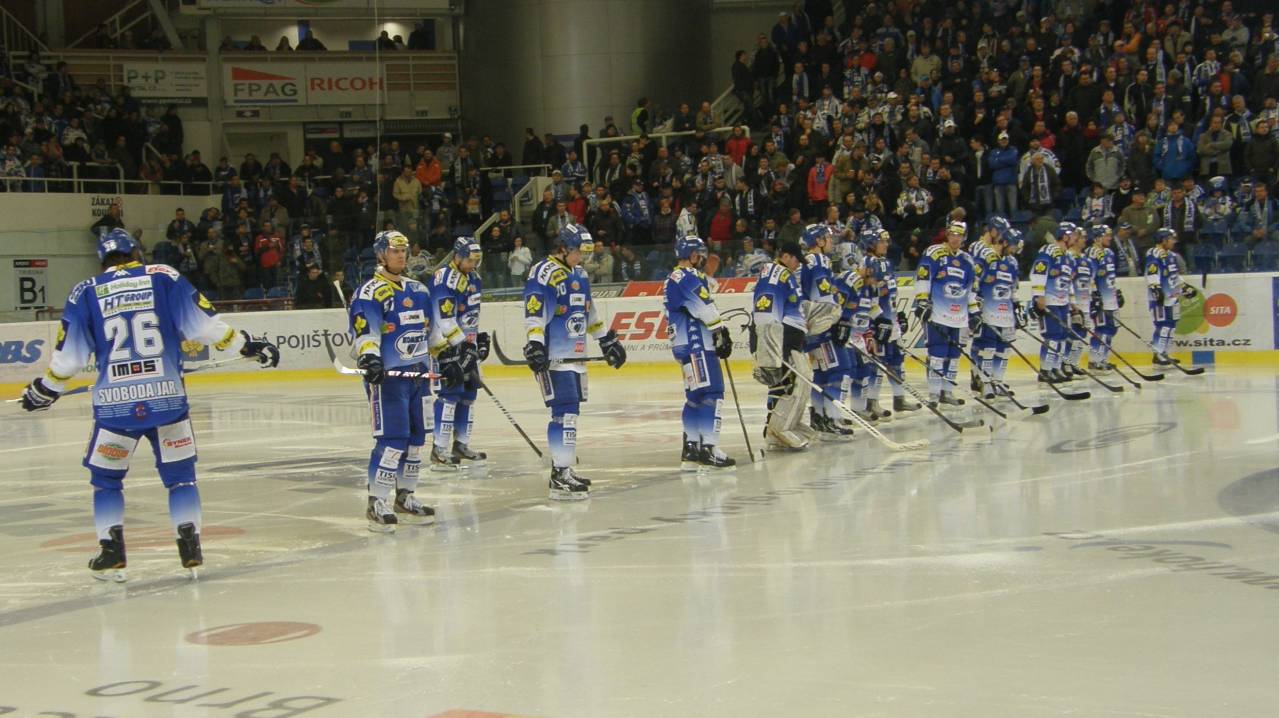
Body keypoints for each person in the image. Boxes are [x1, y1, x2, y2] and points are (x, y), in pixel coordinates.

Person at [19, 229, 280, 581]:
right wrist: (248, 346)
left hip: (116, 408)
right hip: (167, 400)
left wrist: (44, 390)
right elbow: (208, 329)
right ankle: (189, 545)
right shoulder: (163, 276)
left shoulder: (85, 291)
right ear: (136, 252)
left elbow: (68, 360)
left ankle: (112, 553)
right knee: (181, 480)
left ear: (103, 260)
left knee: (107, 482)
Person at [522, 224, 627, 500]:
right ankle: (559, 475)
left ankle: (565, 469)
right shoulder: (543, 271)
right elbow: (534, 311)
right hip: (554, 358)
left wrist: (607, 340)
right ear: (563, 247)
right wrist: (535, 343)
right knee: (564, 412)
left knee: (571, 413)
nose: (583, 257)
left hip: (576, 356)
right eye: (579, 251)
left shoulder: (579, 273)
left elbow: (588, 311)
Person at [348, 230, 442, 531]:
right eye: (394, 250)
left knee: (416, 440)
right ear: (380, 254)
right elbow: (366, 333)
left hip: (419, 376)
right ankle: (377, 500)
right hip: (389, 379)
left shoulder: (419, 290)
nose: (401, 255)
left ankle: (406, 495)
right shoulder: (369, 292)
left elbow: (433, 334)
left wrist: (450, 359)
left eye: (404, 250)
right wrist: (370, 357)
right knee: (393, 440)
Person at [663, 236, 736, 470]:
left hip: (685, 345)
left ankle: (692, 447)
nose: (702, 258)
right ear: (692, 254)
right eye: (699, 254)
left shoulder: (676, 277)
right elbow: (703, 306)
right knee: (712, 393)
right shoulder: (685, 276)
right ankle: (710, 448)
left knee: (694, 397)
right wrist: (720, 330)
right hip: (697, 343)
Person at [427, 237, 488, 471]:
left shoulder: (475, 278)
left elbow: (470, 315)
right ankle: (439, 449)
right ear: (458, 256)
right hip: (445, 347)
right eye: (470, 260)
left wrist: (477, 338)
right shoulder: (443, 278)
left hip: (465, 345)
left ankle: (460, 444)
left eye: (477, 260)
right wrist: (463, 344)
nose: (473, 264)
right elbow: (445, 319)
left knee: (469, 394)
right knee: (449, 394)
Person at [750, 241, 811, 450]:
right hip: (780, 336)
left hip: (788, 335)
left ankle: (781, 424)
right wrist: (770, 345)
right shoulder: (775, 273)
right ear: (785, 256)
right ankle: (775, 428)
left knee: (789, 381)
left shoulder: (785, 275)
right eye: (795, 259)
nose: (796, 264)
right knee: (784, 382)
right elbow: (766, 308)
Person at [911, 220, 976, 405]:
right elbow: (923, 276)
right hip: (938, 313)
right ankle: (933, 394)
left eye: (959, 235)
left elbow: (971, 288)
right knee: (937, 354)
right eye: (952, 234)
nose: (955, 238)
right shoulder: (934, 252)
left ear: (964, 238)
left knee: (954, 355)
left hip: (959, 315)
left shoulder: (967, 260)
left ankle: (947, 392)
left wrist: (975, 311)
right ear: (947, 235)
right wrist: (922, 300)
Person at [798, 224, 849, 439]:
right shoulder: (818, 261)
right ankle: (829, 417)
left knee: (822, 372)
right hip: (821, 327)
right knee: (838, 370)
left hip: (809, 327)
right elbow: (824, 298)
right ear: (818, 241)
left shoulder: (806, 262)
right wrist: (836, 321)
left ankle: (819, 417)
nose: (831, 241)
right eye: (828, 238)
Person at [863, 228, 919, 415]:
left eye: (887, 241)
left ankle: (899, 399)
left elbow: (889, 295)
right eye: (882, 241)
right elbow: (866, 297)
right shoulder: (867, 264)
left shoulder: (886, 263)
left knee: (896, 361)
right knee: (878, 365)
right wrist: (878, 320)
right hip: (878, 324)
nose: (886, 245)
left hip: (890, 322)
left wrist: (897, 316)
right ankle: (871, 403)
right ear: (871, 244)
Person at [968, 219, 1020, 399]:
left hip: (1005, 314)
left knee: (1003, 350)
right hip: (988, 311)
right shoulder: (985, 255)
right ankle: (984, 381)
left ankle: (997, 381)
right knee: (987, 348)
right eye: (1013, 245)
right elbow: (974, 279)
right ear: (1004, 242)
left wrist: (1018, 308)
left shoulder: (1012, 262)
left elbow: (1013, 287)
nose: (1014, 250)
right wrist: (975, 302)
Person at [1029, 223, 1077, 383]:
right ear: (1065, 236)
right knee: (1053, 336)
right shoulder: (1048, 251)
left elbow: (1068, 281)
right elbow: (1038, 273)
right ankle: (1045, 370)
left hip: (1063, 302)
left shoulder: (1068, 256)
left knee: (1063, 336)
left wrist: (1072, 302)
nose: (1076, 238)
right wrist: (1038, 296)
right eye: (1073, 234)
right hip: (1050, 301)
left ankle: (1056, 367)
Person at [1144, 228, 1197, 365]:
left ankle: (1165, 352)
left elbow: (1174, 276)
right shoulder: (1154, 253)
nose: (1174, 241)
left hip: (1173, 296)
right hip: (1160, 298)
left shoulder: (1171, 255)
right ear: (1163, 240)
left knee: (1172, 326)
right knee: (1163, 326)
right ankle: (1158, 354)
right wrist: (1155, 288)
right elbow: (1152, 272)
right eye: (1171, 239)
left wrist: (1184, 286)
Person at [1086, 225, 1124, 372]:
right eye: (1107, 235)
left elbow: (1110, 275)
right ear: (1098, 237)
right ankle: (1095, 360)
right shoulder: (1092, 253)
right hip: (1101, 299)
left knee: (1111, 329)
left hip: (1111, 298)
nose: (1110, 238)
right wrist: (1094, 295)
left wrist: (1117, 291)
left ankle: (1103, 358)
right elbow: (1089, 277)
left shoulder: (1109, 252)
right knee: (1102, 329)